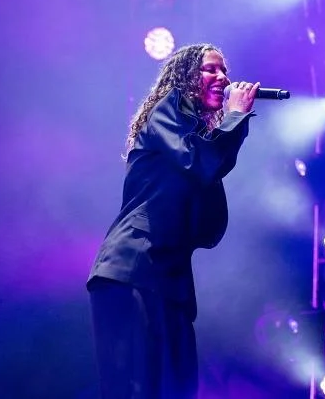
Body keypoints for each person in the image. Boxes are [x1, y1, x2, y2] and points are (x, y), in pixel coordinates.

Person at [86, 43, 260, 399]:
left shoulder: (195, 138)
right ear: (184, 78)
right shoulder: (167, 110)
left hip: (169, 280)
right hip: (133, 267)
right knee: (135, 388)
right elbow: (201, 163)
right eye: (210, 69)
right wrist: (234, 117)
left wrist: (227, 127)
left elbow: (208, 226)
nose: (222, 78)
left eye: (224, 71)